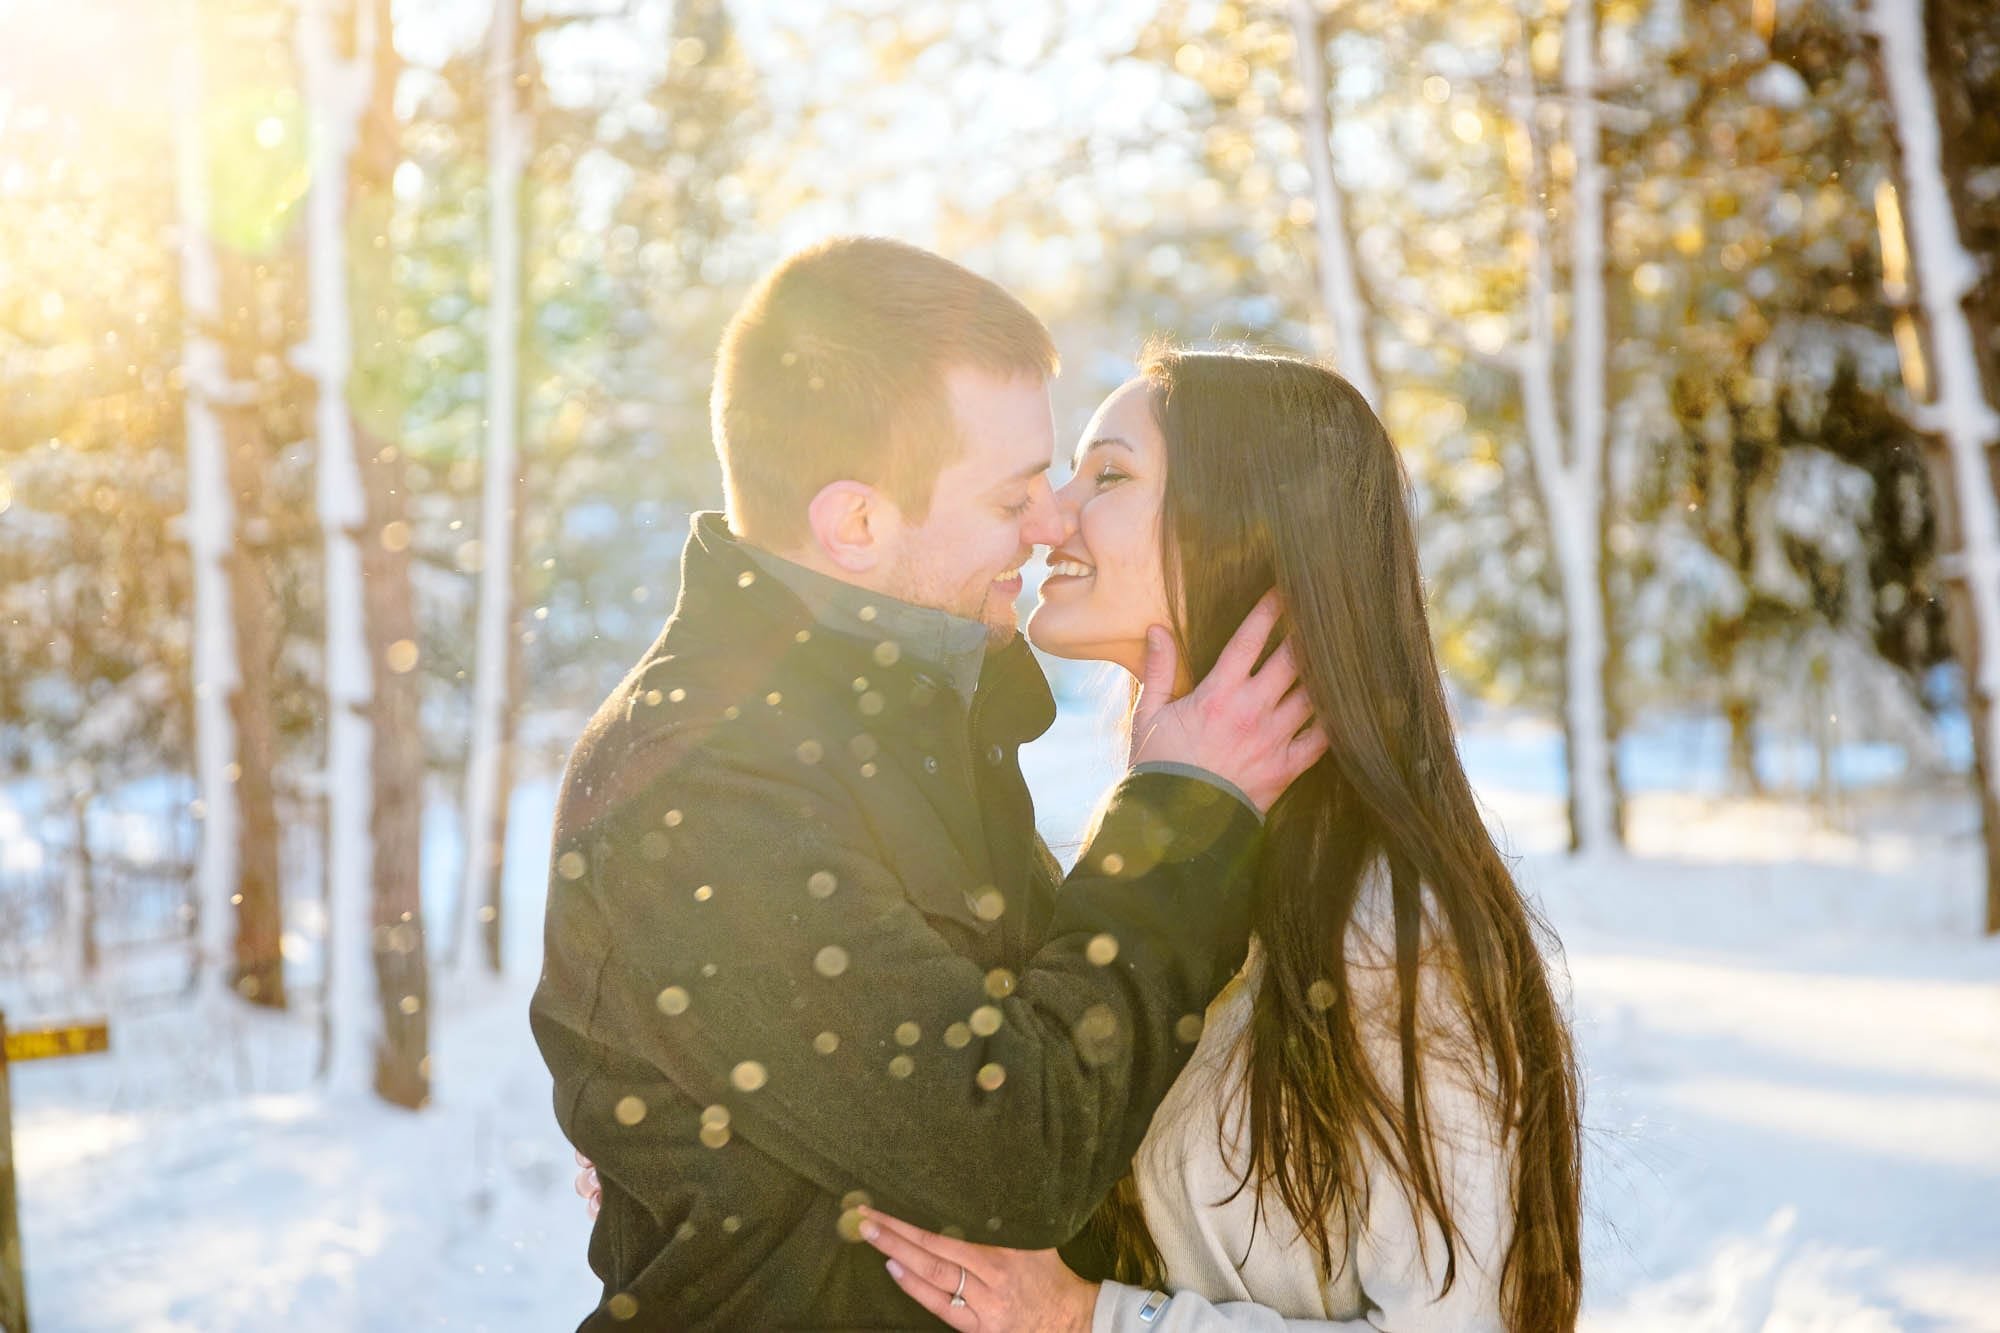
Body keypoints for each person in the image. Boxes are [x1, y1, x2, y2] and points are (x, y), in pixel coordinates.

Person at [531, 239, 1327, 1330]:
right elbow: (1016, 1149)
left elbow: (1049, 1050)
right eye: (1012, 497)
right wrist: (1184, 815)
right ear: (854, 523)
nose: (1050, 523)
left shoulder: (910, 713)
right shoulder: (702, 778)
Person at [851, 350, 1585, 1331]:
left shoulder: (1389, 928)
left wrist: (1092, 1320)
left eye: (1105, 475)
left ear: (1245, 527)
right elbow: (992, 1112)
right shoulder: (1159, 866)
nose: (1050, 514)